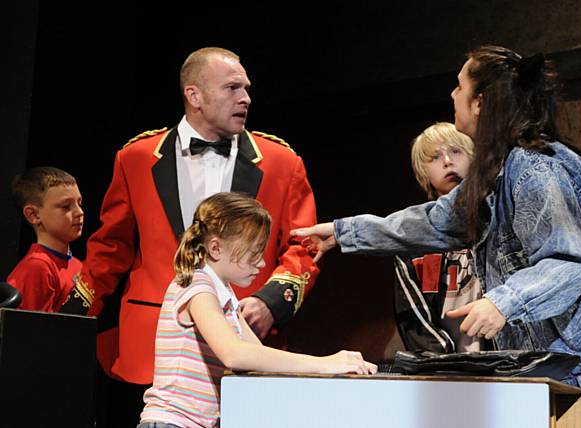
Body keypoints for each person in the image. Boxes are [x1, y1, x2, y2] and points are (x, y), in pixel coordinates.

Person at [293, 45, 581, 426]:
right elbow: (433, 221)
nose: (453, 95)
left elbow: (569, 260)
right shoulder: (495, 175)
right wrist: (343, 233)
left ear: (480, 102)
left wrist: (502, 303)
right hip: (572, 381)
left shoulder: (534, 169)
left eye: (459, 87)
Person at [64, 47, 320, 426]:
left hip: (244, 338)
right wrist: (69, 322)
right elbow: (109, 249)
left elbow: (304, 244)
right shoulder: (135, 156)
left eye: (246, 88)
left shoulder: (281, 161)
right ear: (193, 95)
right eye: (233, 88)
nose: (246, 98)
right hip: (154, 347)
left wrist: (271, 302)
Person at [138, 192, 376, 428]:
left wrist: (335, 367)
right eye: (253, 254)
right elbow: (235, 354)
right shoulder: (197, 287)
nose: (261, 263)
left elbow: (256, 356)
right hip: (172, 423)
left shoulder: (223, 292)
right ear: (216, 248)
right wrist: (325, 363)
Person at [392, 122, 485, 353]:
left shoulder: (496, 223)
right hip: (446, 369)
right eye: (435, 157)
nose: (447, 161)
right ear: (423, 173)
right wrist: (448, 364)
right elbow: (414, 317)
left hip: (505, 361)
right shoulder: (414, 243)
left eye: (456, 151)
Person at [7, 166, 84, 312]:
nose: (79, 212)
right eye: (66, 206)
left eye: (79, 203)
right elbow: (33, 330)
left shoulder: (78, 266)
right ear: (34, 215)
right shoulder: (38, 267)